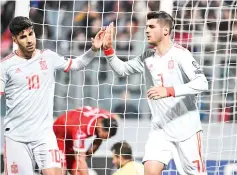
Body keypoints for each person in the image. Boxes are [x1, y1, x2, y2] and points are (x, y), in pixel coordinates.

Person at [102, 11, 208, 175]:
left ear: (165, 31)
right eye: (146, 27)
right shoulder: (147, 57)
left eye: (151, 26)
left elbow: (202, 83)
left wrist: (169, 91)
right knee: (150, 171)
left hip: (186, 130)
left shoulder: (181, 55)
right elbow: (121, 69)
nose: (146, 30)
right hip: (160, 129)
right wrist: (108, 50)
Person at [0, 16, 105, 175]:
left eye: (30, 34)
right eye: (23, 37)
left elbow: (76, 64)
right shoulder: (6, 66)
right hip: (17, 137)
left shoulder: (48, 57)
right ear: (14, 39)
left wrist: (94, 50)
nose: (29, 40)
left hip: (44, 135)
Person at [53, 106, 118, 175]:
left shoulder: (109, 118)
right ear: (99, 126)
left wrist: (86, 156)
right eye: (103, 136)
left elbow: (98, 141)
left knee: (78, 171)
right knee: (62, 170)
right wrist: (83, 160)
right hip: (59, 135)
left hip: (71, 132)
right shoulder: (81, 130)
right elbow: (80, 159)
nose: (104, 139)